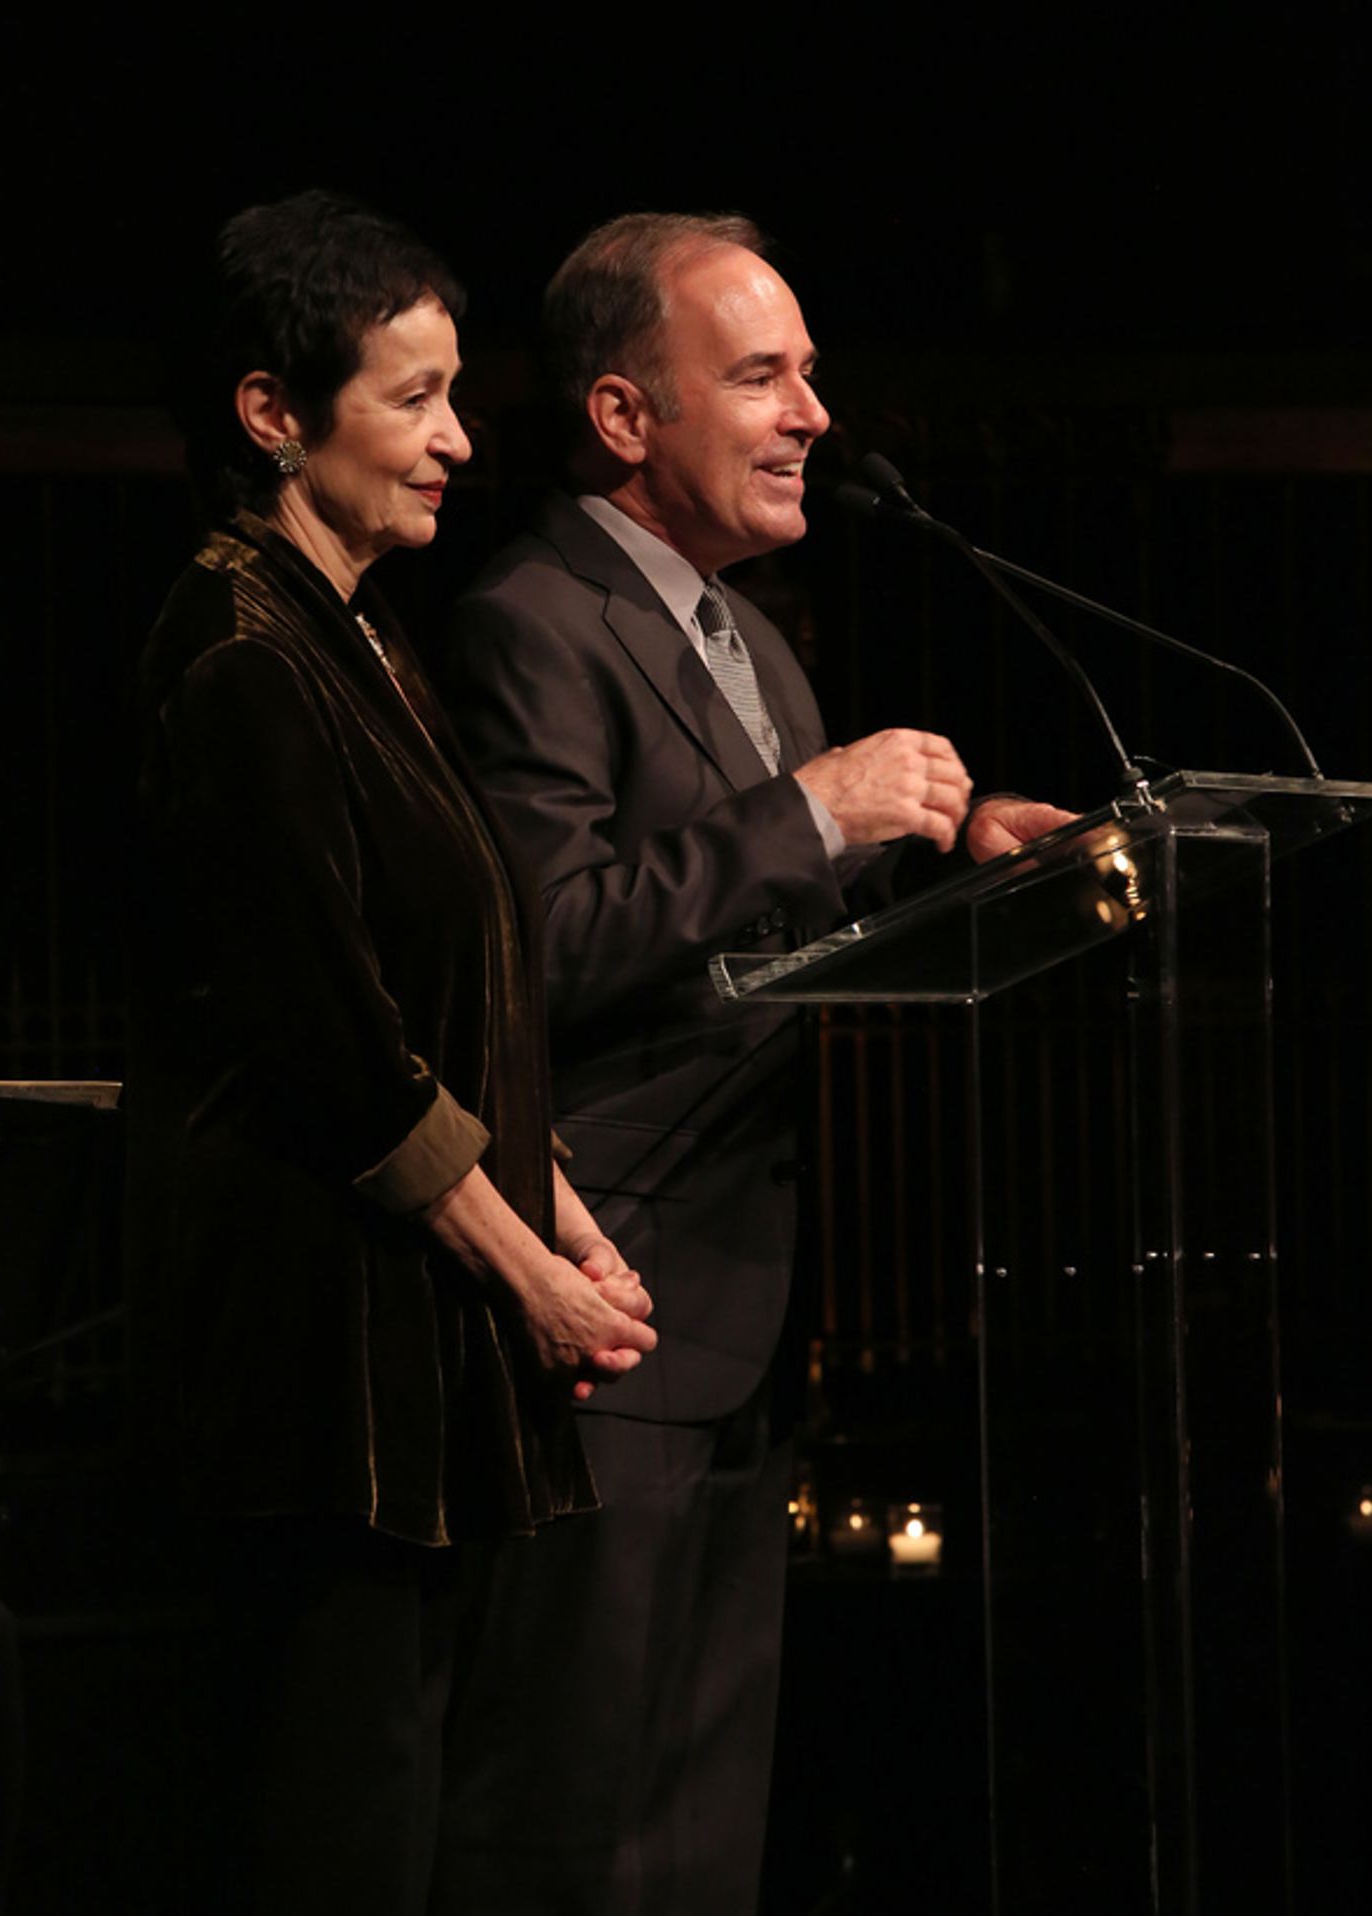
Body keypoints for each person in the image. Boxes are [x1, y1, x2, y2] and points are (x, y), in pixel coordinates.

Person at [436, 213, 1067, 1912]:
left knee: (703, 1837)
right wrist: (811, 809)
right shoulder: (532, 623)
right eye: (763, 375)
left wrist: (956, 844)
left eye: (809, 374)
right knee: (574, 1826)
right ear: (628, 416)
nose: (814, 416)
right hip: (604, 1294)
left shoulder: (752, 640)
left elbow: (760, 901)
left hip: (746, 1303)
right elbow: (544, 948)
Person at [128, 189, 655, 1916]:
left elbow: (458, 993)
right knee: (335, 1825)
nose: (457, 438)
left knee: (410, 1810)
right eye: (410, 399)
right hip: (317, 1373)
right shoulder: (238, 656)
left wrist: (559, 1207)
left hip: (407, 1361)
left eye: (453, 394)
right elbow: (343, 1055)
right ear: (274, 416)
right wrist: (539, 1284)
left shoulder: (358, 632)